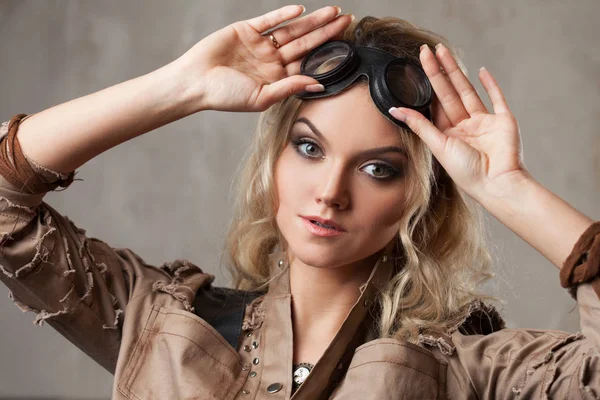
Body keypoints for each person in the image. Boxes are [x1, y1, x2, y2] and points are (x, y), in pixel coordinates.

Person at [0, 4, 597, 399]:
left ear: (420, 197)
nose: (330, 192)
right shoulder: (162, 321)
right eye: (310, 148)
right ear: (275, 158)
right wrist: (179, 87)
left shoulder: (470, 371)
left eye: (377, 169)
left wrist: (508, 188)